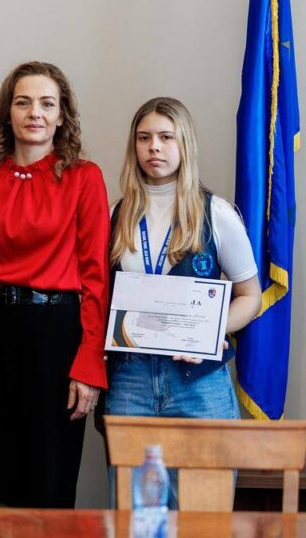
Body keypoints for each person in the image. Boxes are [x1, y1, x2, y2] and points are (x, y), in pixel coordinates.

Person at [0, 61, 109, 508]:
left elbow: (95, 278)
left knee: (50, 480)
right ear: (7, 112)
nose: (35, 112)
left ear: (61, 115)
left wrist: (89, 363)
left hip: (57, 336)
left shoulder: (84, 177)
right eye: (23, 102)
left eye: (47, 104)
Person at [104, 97, 262, 507]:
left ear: (184, 144)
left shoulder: (216, 213)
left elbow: (251, 297)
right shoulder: (115, 215)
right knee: (137, 520)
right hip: (132, 381)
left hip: (200, 383)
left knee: (203, 517)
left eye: (165, 137)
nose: (154, 147)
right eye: (144, 138)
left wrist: (212, 329)